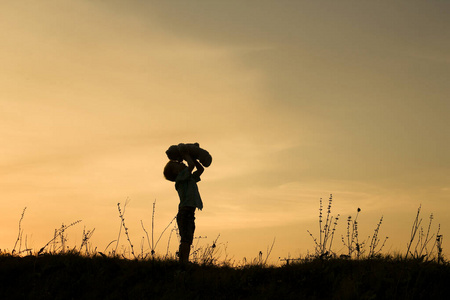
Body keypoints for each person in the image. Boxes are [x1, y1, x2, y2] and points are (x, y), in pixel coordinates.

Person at [163, 153, 204, 263]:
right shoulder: (180, 178)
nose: (181, 163)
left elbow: (200, 169)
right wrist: (187, 154)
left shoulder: (188, 178)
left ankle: (183, 260)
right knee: (186, 239)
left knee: (187, 239)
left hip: (189, 213)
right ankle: (183, 261)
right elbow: (191, 166)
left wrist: (194, 158)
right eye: (177, 164)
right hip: (185, 213)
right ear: (176, 172)